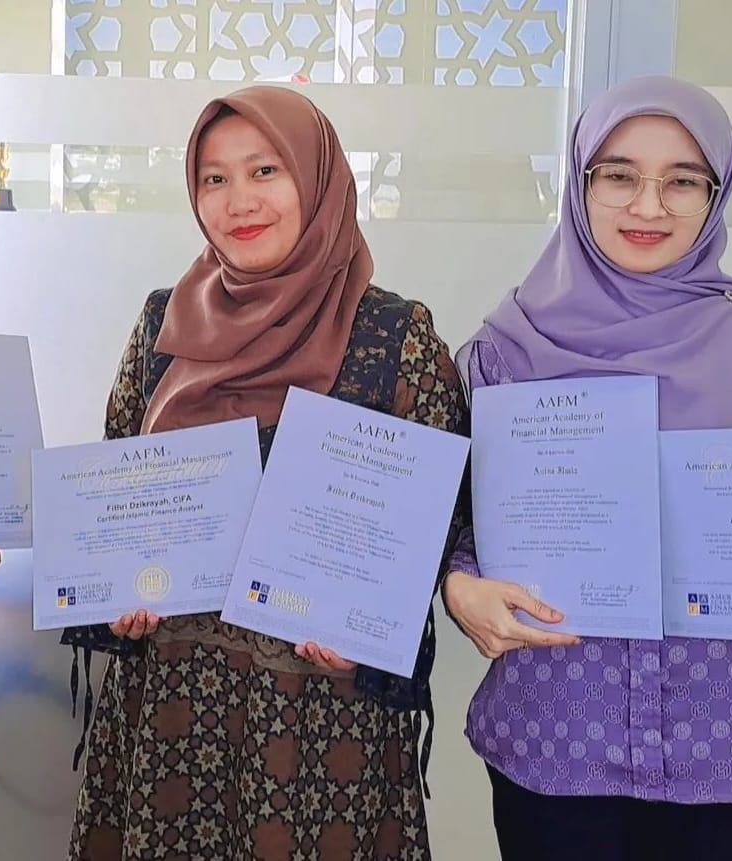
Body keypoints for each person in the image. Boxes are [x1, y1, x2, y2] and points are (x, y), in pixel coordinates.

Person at [444, 76, 732, 861]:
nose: (649, 206)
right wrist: (460, 587)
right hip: (559, 750)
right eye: (619, 175)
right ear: (580, 185)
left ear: (717, 193)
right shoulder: (499, 357)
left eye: (682, 180)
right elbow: (467, 529)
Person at [62, 85, 468, 860]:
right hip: (172, 711)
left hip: (319, 721)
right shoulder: (162, 324)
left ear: (317, 180)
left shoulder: (394, 336)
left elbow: (441, 524)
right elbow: (118, 486)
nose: (238, 200)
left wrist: (374, 629)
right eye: (213, 178)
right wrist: (114, 593)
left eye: (265, 170)